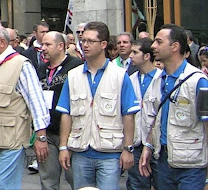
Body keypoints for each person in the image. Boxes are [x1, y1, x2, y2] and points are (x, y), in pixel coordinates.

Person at [57, 21, 140, 190]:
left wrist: (128, 149)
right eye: (83, 41)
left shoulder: (120, 75)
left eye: (90, 41)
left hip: (110, 152)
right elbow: (66, 114)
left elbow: (128, 115)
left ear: (103, 44)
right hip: (81, 151)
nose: (85, 45)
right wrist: (63, 146)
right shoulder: (73, 76)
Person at [0, 24, 50, 189]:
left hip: (11, 141)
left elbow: (36, 102)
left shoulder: (21, 64)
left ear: (2, 42)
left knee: (4, 184)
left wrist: (41, 137)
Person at [138, 24, 208, 190]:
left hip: (192, 165)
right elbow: (155, 117)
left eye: (159, 42)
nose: (153, 46)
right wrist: (148, 147)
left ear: (175, 46)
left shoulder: (198, 81)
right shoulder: (158, 79)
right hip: (163, 161)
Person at [37, 31, 82, 190]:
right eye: (42, 44)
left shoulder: (76, 66)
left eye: (47, 44)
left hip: (70, 133)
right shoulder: (41, 68)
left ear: (61, 46)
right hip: (47, 133)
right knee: (48, 181)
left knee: (75, 179)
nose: (43, 48)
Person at [126, 37, 161, 190]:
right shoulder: (130, 79)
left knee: (162, 183)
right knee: (137, 184)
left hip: (158, 143)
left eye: (135, 52)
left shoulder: (162, 78)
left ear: (147, 56)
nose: (130, 55)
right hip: (136, 142)